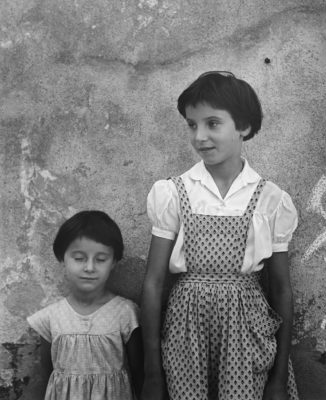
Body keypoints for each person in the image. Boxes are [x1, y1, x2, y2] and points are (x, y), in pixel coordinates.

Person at [141, 71, 299, 400]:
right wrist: (152, 372)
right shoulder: (173, 192)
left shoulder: (270, 199)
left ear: (243, 126)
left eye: (212, 123)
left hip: (246, 335)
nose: (200, 136)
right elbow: (154, 282)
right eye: (191, 124)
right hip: (187, 333)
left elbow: (281, 288)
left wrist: (279, 376)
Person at [27, 210, 143, 400]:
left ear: (114, 262)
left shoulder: (125, 313)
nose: (89, 267)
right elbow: (47, 374)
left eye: (101, 259)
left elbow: (139, 374)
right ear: (62, 258)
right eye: (79, 258)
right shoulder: (50, 318)